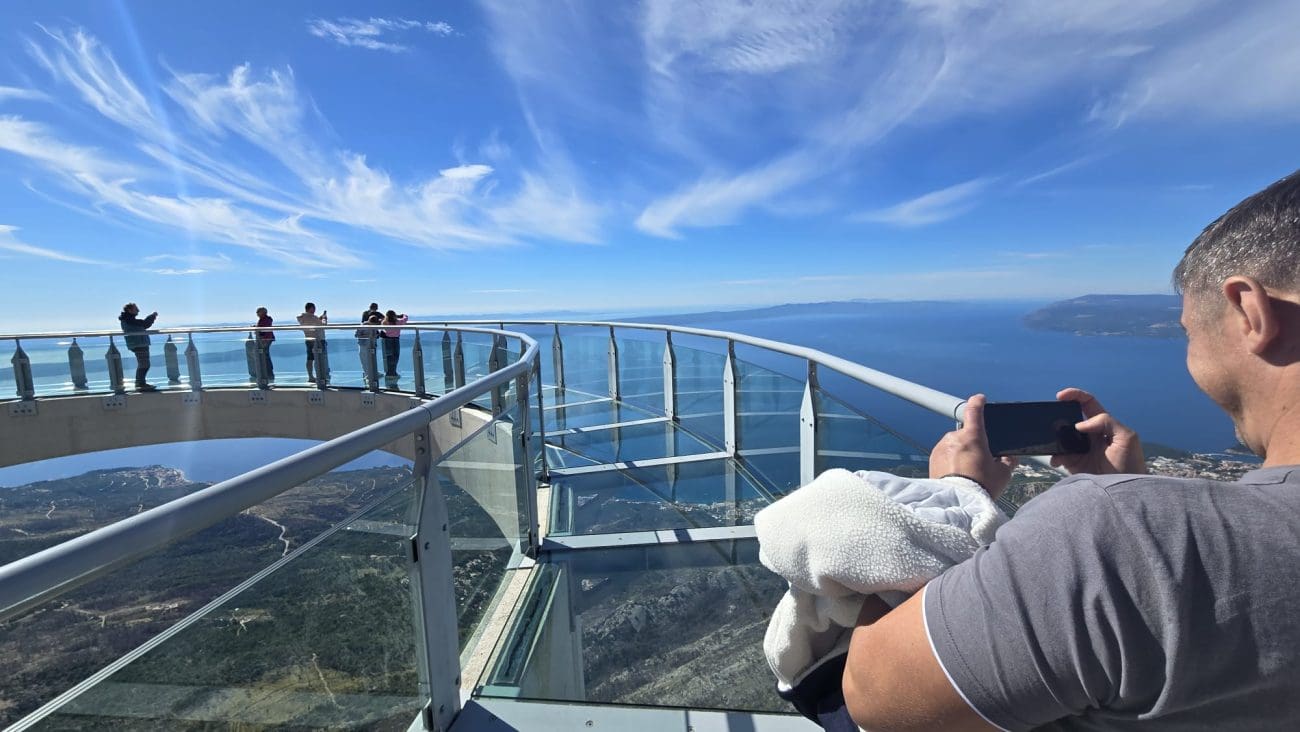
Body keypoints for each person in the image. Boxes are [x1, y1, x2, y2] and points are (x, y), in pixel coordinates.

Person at [843, 169, 1300, 731]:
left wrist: (954, 496)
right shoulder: (1137, 530)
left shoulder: (1116, 534)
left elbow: (874, 696)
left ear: (1250, 312)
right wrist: (1126, 490)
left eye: (1187, 330)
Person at [118, 303, 158, 391]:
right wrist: (152, 316)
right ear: (130, 310)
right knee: (144, 364)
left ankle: (140, 383)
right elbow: (145, 324)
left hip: (138, 343)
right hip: (139, 344)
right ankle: (140, 384)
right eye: (136, 309)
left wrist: (152, 317)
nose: (138, 311)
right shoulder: (129, 320)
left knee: (143, 364)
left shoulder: (128, 320)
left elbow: (143, 324)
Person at [296, 302, 328, 382]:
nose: (315, 310)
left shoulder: (302, 318)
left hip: (308, 339)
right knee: (319, 358)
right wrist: (324, 318)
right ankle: (321, 376)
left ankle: (310, 376)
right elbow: (323, 325)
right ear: (311, 308)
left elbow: (313, 323)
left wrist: (319, 319)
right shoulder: (313, 318)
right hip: (318, 340)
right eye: (314, 308)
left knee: (310, 358)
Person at [380, 309, 408, 380]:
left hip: (387, 340)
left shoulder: (384, 322)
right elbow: (405, 318)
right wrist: (402, 315)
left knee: (389, 356)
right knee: (396, 356)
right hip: (396, 339)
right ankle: (393, 372)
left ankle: (389, 372)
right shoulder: (398, 322)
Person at [254, 306, 275, 382]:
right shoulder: (265, 319)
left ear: (262, 313)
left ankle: (268, 373)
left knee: (265, 356)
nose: (257, 313)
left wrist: (263, 339)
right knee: (266, 355)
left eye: (258, 312)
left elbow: (265, 331)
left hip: (265, 340)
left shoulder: (265, 320)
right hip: (266, 339)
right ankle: (268, 372)